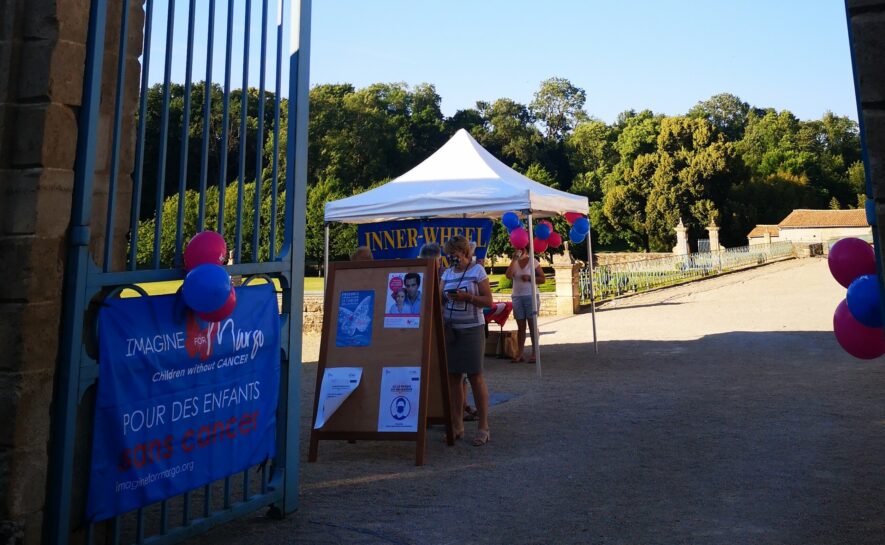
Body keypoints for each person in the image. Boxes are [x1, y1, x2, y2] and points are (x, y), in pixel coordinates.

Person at [441, 235, 493, 446]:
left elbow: (488, 301)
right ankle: (457, 425)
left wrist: (468, 297)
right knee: (453, 379)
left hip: (472, 330)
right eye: (449, 256)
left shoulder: (477, 271)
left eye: (456, 256)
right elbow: (438, 296)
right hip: (451, 331)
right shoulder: (446, 273)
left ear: (465, 253)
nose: (453, 260)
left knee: (475, 377)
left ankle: (483, 426)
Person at [421, 241, 477, 422]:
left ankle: (461, 408)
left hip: (446, 328)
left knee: (456, 373)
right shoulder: (440, 275)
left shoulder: (443, 275)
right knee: (452, 374)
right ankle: (457, 409)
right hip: (439, 329)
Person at [505, 247, 546, 363]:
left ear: (526, 250)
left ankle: (535, 352)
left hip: (531, 295)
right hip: (517, 296)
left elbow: (543, 279)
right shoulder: (514, 262)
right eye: (517, 248)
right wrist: (514, 260)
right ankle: (520, 353)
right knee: (521, 326)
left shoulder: (533, 261)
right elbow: (508, 276)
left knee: (532, 324)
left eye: (521, 249)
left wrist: (530, 278)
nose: (519, 250)